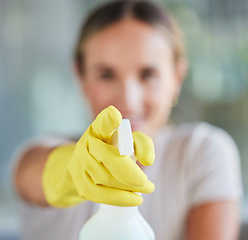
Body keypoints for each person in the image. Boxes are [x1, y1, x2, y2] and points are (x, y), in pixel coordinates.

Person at [13, 0, 243, 239]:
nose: (128, 100)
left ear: (176, 77)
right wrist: (71, 171)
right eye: (106, 75)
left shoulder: (203, 152)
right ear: (81, 78)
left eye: (148, 74)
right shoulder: (36, 155)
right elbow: (30, 174)